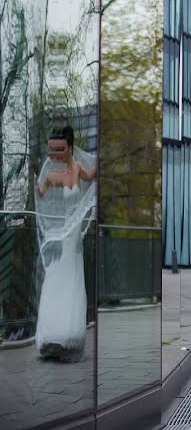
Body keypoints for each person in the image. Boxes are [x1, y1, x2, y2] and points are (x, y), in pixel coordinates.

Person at [34, 125, 97, 361]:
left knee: (71, 278)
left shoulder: (79, 168)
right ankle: (54, 332)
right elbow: (42, 190)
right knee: (60, 275)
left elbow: (92, 177)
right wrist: (36, 186)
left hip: (74, 235)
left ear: (70, 148)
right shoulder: (56, 175)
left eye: (61, 149)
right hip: (65, 233)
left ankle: (68, 334)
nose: (57, 155)